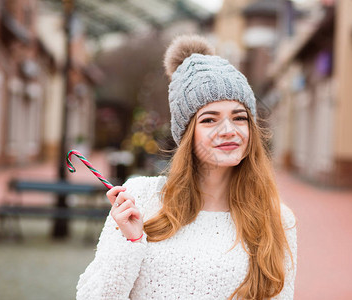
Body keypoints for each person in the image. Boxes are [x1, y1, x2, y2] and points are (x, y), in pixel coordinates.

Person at [76, 35, 297, 300]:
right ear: (186, 134)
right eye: (209, 119)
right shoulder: (139, 199)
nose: (228, 131)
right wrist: (130, 242)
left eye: (239, 117)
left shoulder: (277, 219)